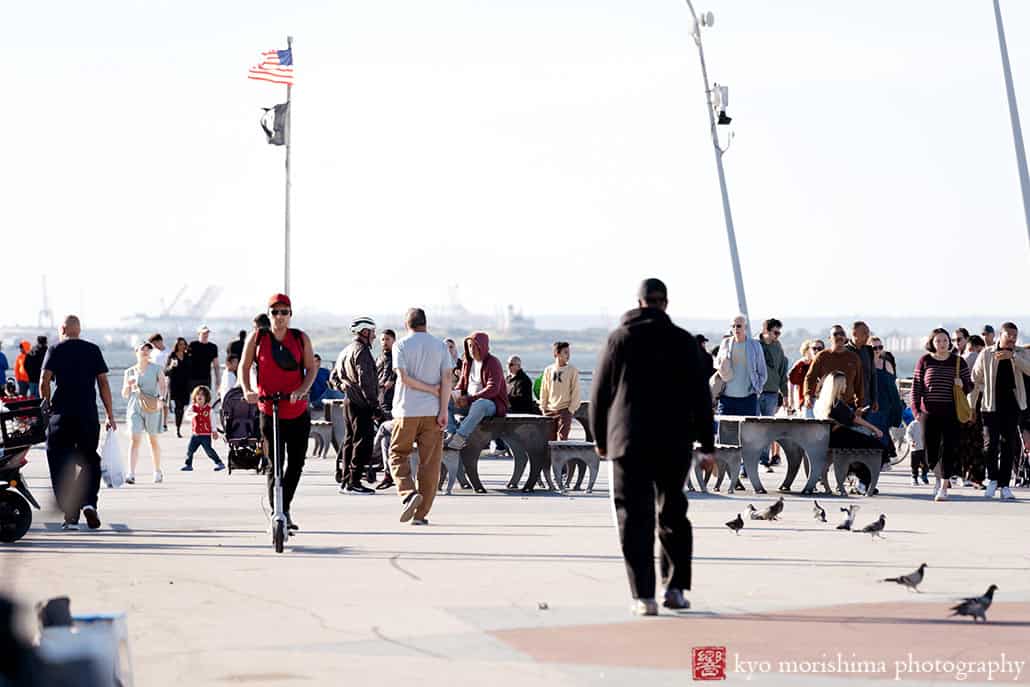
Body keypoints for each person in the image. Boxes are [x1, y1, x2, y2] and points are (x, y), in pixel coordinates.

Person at [590, 278, 715, 616]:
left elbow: (600, 393)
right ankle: (674, 590)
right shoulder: (684, 341)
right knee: (673, 511)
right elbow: (701, 396)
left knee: (633, 516)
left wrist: (601, 441)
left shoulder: (619, 339)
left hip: (627, 441)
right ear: (666, 303)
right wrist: (707, 442)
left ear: (639, 302)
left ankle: (644, 597)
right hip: (673, 440)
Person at [240, 294, 317, 531]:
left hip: (296, 410)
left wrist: (302, 390)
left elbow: (311, 367)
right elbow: (244, 366)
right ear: (269, 314)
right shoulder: (258, 338)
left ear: (290, 315)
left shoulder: (300, 338)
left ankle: (285, 507)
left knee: (296, 463)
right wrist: (247, 389)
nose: (280, 317)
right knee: (275, 463)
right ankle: (277, 512)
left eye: (284, 312)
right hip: (269, 409)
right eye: (275, 312)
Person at [39, 316, 116, 530]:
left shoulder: (55, 349)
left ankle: (71, 514)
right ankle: (89, 502)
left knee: (58, 460)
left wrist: (46, 406)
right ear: (79, 329)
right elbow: (103, 383)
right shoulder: (93, 350)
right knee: (90, 460)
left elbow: (44, 380)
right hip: (87, 416)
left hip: (61, 415)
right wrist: (110, 414)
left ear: (63, 329)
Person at [387, 307, 452, 524]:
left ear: (407, 324)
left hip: (406, 410)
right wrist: (443, 410)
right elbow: (447, 379)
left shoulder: (401, 345)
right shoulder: (440, 346)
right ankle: (421, 514)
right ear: (426, 323)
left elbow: (403, 378)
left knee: (397, 454)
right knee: (430, 464)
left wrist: (427, 388)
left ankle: (408, 493)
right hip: (433, 412)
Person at [969, 322, 1030, 500]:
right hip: (990, 406)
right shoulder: (987, 353)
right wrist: (971, 406)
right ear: (1000, 336)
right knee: (990, 444)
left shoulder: (1020, 352)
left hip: (1013, 406)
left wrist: (1013, 357)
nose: (1012, 339)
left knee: (1008, 444)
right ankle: (992, 479)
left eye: (1015, 336)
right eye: (1009, 335)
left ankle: (1004, 484)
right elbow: (975, 380)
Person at [911, 328, 973, 502]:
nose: (942, 344)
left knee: (949, 448)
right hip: (929, 413)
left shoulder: (958, 361)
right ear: (932, 343)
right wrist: (916, 410)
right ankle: (938, 477)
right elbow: (916, 388)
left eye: (945, 340)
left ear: (949, 342)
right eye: (938, 341)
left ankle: (944, 485)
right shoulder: (924, 361)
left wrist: (962, 385)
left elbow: (970, 385)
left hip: (951, 413)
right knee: (931, 452)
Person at [335, 317, 382, 495]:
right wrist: (374, 406)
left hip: (348, 401)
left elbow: (334, 377)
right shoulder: (362, 351)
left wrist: (343, 387)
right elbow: (366, 382)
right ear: (364, 331)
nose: (374, 336)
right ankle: (354, 482)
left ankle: (347, 481)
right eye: (372, 332)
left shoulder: (346, 350)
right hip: (361, 403)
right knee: (363, 443)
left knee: (349, 442)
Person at [445, 332, 509, 450]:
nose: (472, 349)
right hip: (469, 402)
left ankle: (460, 437)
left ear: (483, 346)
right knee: (444, 399)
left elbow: (493, 389)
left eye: (475, 346)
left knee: (480, 404)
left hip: (491, 404)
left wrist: (470, 399)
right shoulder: (467, 362)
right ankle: (451, 433)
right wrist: (456, 394)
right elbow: (462, 383)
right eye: (469, 346)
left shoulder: (493, 362)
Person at [122, 341, 166, 484]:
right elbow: (125, 394)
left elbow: (163, 386)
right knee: (135, 439)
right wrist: (128, 385)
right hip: (134, 406)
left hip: (152, 406)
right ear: (136, 352)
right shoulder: (129, 372)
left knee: (153, 440)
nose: (146, 351)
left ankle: (157, 471)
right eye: (143, 349)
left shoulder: (156, 369)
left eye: (148, 349)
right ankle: (131, 473)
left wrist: (162, 398)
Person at [814, 371, 885, 449]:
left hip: (831, 437)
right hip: (840, 437)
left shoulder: (825, 402)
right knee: (876, 445)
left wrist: (854, 414)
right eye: (844, 383)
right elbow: (854, 419)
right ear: (838, 386)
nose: (846, 386)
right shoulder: (837, 403)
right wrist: (875, 429)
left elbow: (847, 417)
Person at [713, 315, 767, 416]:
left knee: (746, 431)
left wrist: (757, 388)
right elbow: (717, 365)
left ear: (745, 327)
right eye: (733, 326)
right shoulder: (725, 343)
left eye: (738, 326)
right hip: (727, 398)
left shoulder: (755, 345)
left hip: (748, 399)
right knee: (725, 431)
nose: (735, 329)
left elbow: (762, 371)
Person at [803, 325, 864, 411]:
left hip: (848, 406)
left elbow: (859, 383)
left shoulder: (854, 358)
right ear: (830, 338)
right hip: (826, 406)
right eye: (835, 334)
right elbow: (810, 378)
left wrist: (860, 405)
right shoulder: (822, 356)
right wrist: (808, 396)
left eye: (842, 334)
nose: (839, 336)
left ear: (846, 337)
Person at [757, 319, 788, 468]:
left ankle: (763, 460)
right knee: (753, 429)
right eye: (775, 332)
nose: (777, 336)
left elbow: (782, 371)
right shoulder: (755, 345)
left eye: (779, 333)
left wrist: (786, 394)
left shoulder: (778, 347)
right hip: (755, 393)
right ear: (766, 331)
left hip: (772, 393)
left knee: (767, 429)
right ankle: (748, 462)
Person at [539, 341, 582, 441]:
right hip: (549, 410)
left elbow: (575, 391)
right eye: (565, 352)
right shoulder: (548, 370)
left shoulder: (572, 370)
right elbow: (544, 389)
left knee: (563, 439)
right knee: (549, 440)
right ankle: (550, 457)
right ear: (557, 354)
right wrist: (543, 407)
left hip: (565, 410)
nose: (568, 355)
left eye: (569, 352)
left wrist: (571, 409)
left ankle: (561, 457)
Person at [181, 385, 225, 472]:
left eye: (202, 395)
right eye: (198, 395)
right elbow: (187, 415)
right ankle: (188, 464)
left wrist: (214, 431)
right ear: (195, 397)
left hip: (206, 435)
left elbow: (213, 421)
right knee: (190, 450)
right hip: (195, 434)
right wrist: (192, 415)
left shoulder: (209, 410)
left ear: (206, 397)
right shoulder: (193, 408)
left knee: (209, 450)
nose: (200, 396)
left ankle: (219, 463)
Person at [846, 321, 878, 410]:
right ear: (854, 333)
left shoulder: (868, 351)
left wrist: (875, 399)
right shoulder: (844, 352)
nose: (868, 336)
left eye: (868, 333)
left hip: (866, 403)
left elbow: (873, 376)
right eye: (864, 333)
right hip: (849, 404)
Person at [788, 339, 823, 417]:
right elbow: (792, 380)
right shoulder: (802, 365)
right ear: (809, 350)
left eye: (819, 349)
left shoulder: (826, 364)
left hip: (822, 402)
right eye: (814, 348)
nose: (816, 351)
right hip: (806, 402)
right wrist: (791, 401)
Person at [165, 337, 192, 437]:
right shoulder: (172, 356)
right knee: (178, 407)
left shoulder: (188, 356)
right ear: (176, 345)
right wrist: (171, 366)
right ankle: (178, 429)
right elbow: (166, 372)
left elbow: (191, 370)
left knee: (182, 407)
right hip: (175, 385)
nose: (182, 346)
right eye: (180, 344)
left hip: (185, 385)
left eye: (183, 344)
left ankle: (178, 426)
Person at [189, 325, 220, 396]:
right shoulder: (193, 345)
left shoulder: (213, 347)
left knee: (205, 398)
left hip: (206, 378)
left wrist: (218, 379)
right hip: (193, 378)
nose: (205, 335)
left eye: (207, 333)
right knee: (195, 398)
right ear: (199, 334)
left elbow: (216, 365)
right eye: (203, 333)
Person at [377, 329, 398, 418]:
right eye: (383, 339)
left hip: (392, 398)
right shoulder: (379, 358)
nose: (385, 342)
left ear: (394, 340)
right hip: (379, 396)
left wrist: (392, 379)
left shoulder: (398, 356)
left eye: (387, 339)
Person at [906, 414, 928, 486]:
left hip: (925, 448)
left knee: (926, 464)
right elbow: (908, 434)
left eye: (921, 415)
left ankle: (924, 475)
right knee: (914, 464)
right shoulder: (913, 424)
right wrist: (911, 441)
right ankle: (914, 477)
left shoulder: (926, 423)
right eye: (918, 415)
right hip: (915, 448)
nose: (920, 416)